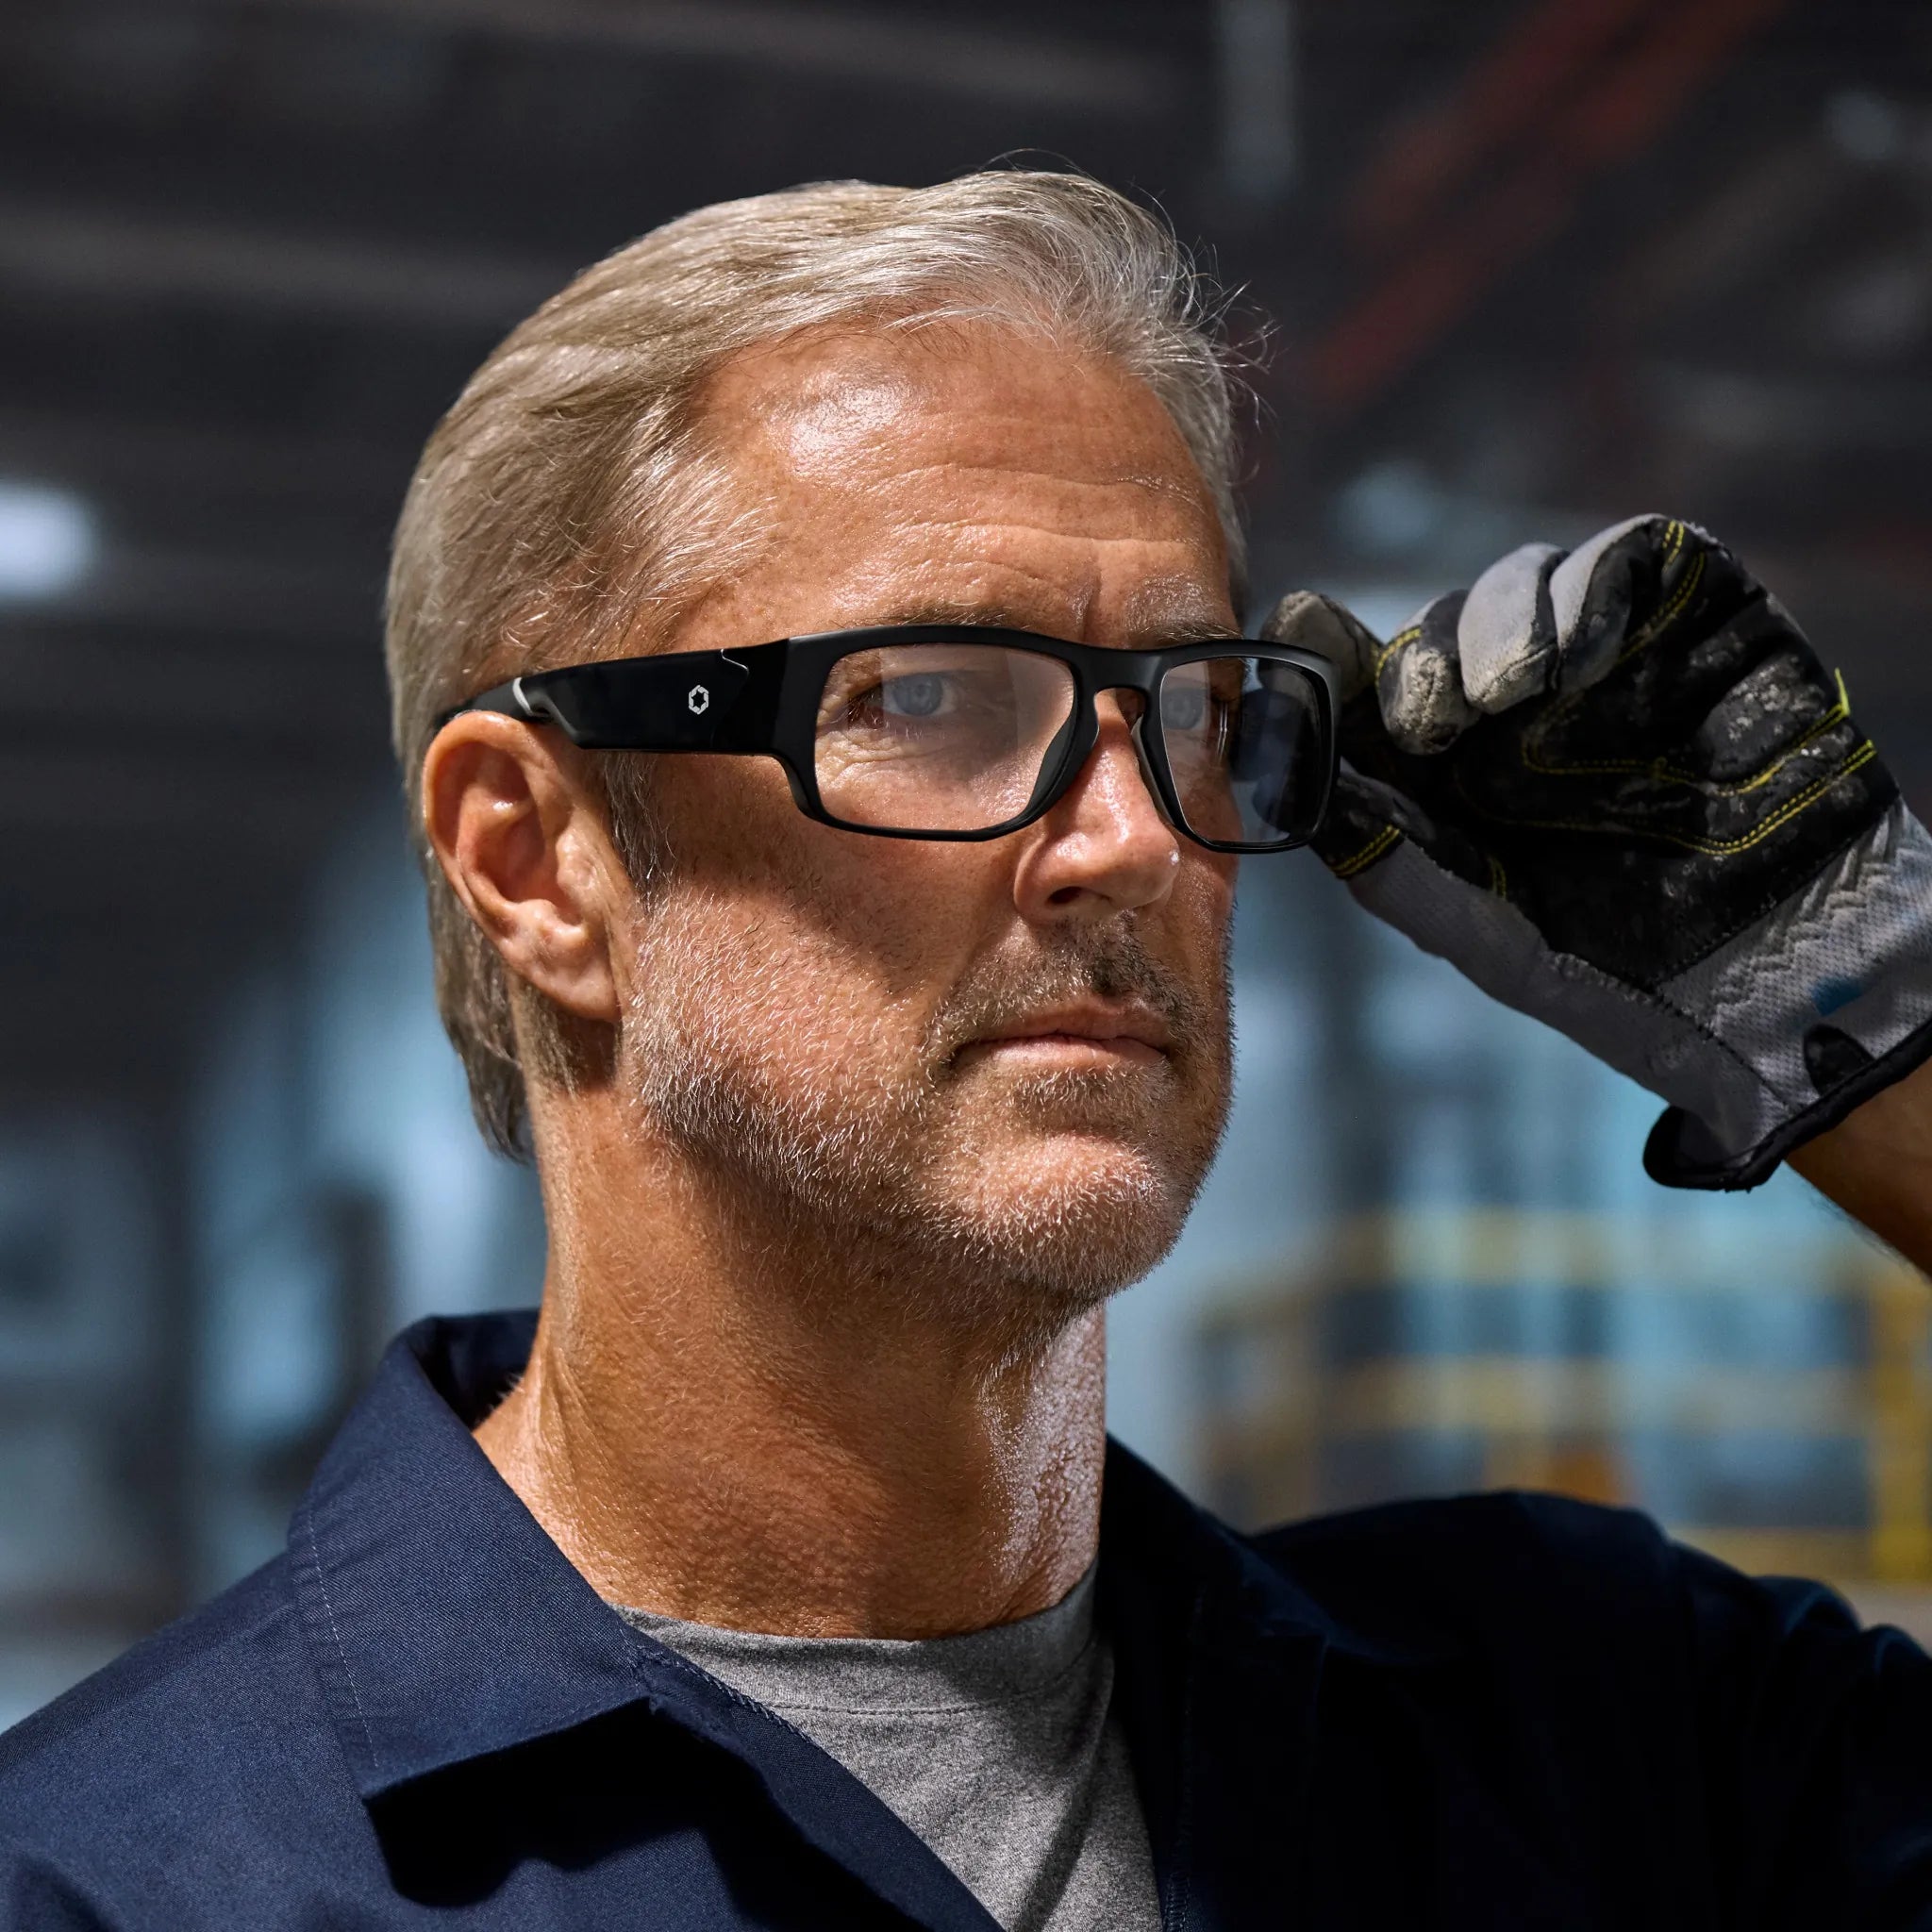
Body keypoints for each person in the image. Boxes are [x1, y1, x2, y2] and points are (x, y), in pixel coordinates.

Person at [2, 170, 1929, 1930]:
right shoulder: (125, 1880)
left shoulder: (1616, 1738)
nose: (1137, 840)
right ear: (541, 859)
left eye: (1189, 703)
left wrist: (1876, 1019)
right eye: (928, 695)